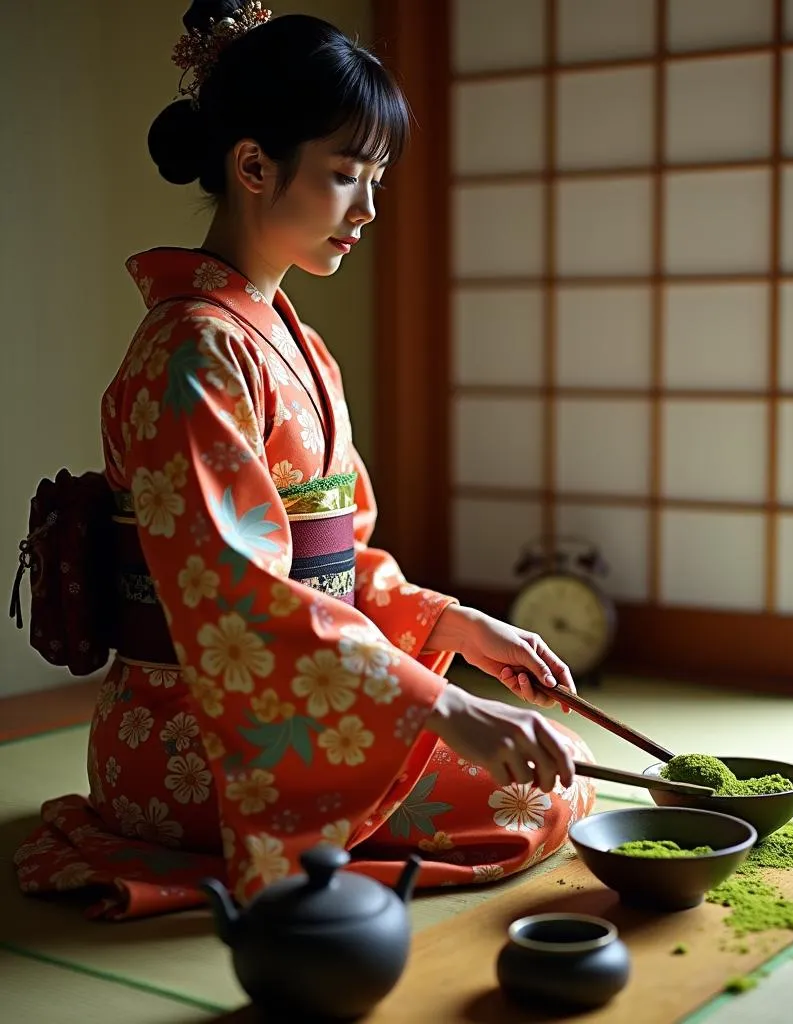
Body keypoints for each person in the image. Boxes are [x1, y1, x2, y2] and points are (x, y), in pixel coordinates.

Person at [13, 0, 594, 921]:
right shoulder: (191, 350)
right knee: (528, 800)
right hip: (191, 729)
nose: (366, 210)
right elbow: (235, 593)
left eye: (376, 179)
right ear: (253, 165)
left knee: (544, 783)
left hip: (274, 693)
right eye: (344, 176)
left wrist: (451, 624)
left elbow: (337, 560)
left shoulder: (292, 342)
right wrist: (441, 707)